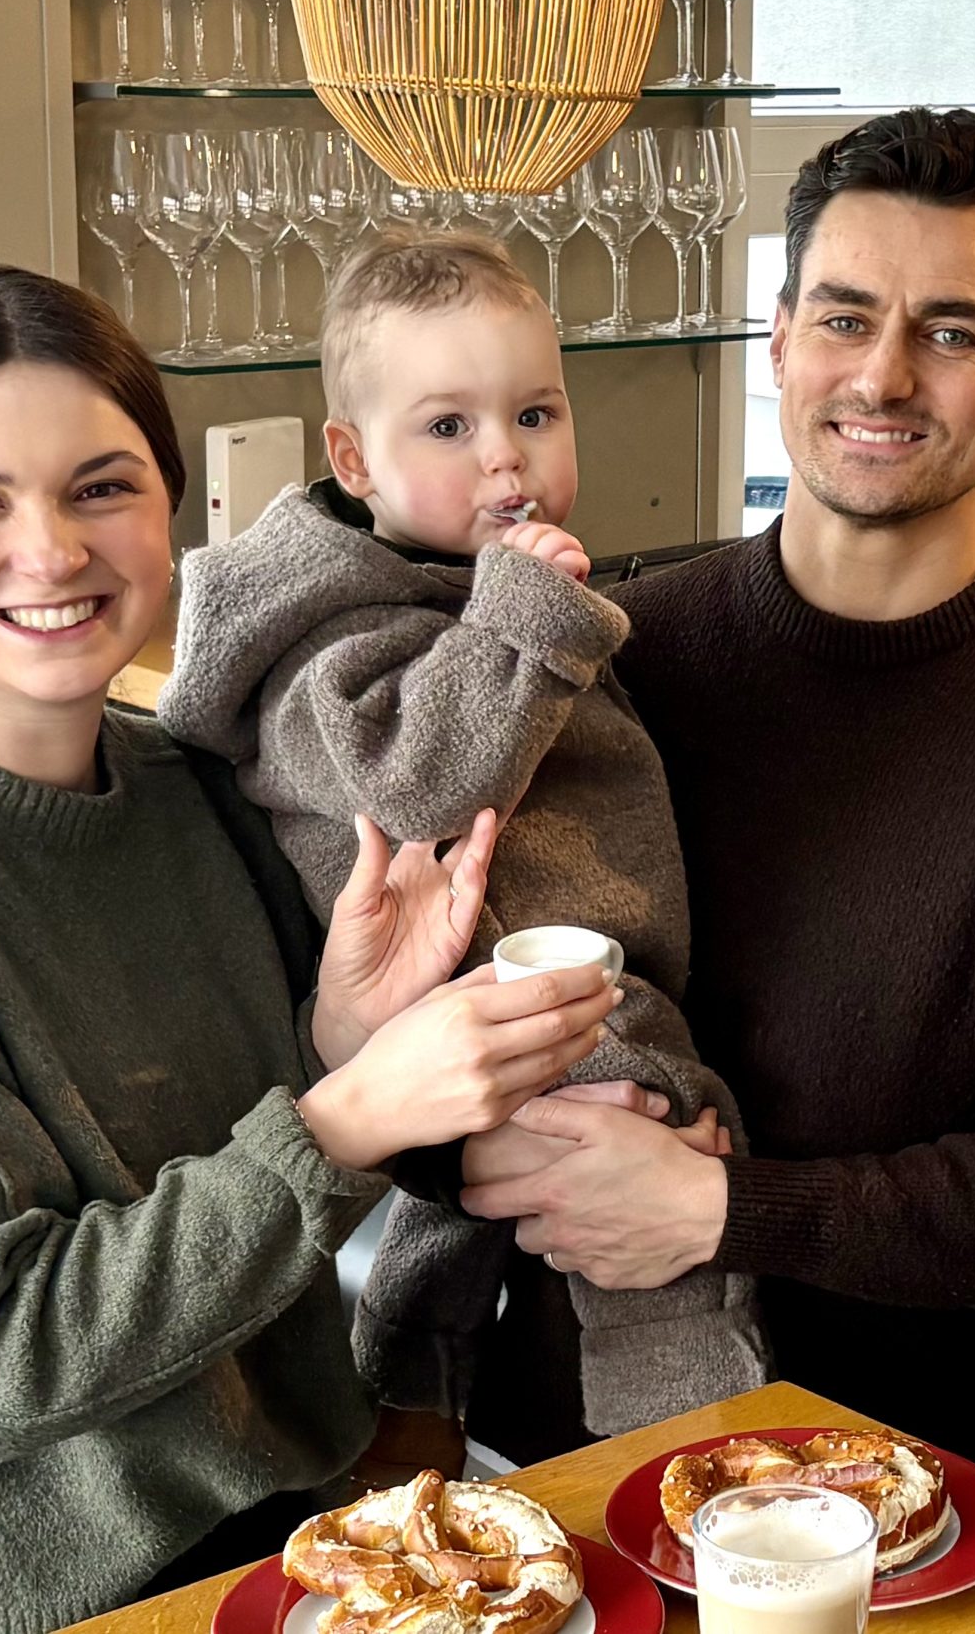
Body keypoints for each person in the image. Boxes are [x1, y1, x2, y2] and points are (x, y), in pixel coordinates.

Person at [0, 264, 619, 1634]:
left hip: (305, 1539)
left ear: (171, 510)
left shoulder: (193, 780)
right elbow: (5, 1364)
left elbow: (249, 1191)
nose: (50, 551)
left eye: (101, 487)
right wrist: (347, 1111)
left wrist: (345, 1034)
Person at [459, 107, 975, 1477]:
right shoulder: (608, 653)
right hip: (553, 1455)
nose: (883, 374)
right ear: (780, 340)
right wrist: (457, 1149)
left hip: (903, 1488)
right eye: (845, 316)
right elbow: (431, 990)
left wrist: (725, 1208)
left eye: (951, 331)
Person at [160, 227, 768, 1445]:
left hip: (516, 981)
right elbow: (417, 785)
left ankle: (408, 1380)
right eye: (448, 426)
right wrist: (527, 613)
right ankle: (696, 1438)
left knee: (477, 1205)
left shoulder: (454, 588)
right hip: (502, 985)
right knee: (657, 1136)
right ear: (353, 458)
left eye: (535, 413)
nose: (506, 457)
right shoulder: (330, 629)